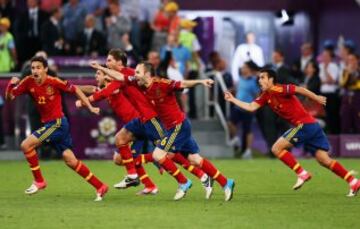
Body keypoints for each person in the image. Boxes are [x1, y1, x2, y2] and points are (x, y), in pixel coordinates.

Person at [98, 60, 235, 201]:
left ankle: (183, 183)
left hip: (178, 126)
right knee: (195, 159)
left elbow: (182, 84)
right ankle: (226, 182)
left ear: (147, 74)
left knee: (159, 154)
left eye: (138, 72)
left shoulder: (162, 84)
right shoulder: (140, 83)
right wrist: (100, 68)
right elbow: (120, 77)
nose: (135, 75)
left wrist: (201, 81)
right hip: (174, 127)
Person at [224, 68, 360, 196]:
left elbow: (299, 89)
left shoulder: (279, 88)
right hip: (311, 125)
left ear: (271, 80)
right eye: (259, 78)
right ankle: (353, 182)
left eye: (263, 77)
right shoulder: (265, 95)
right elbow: (251, 106)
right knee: (324, 160)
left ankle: (301, 173)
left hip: (304, 125)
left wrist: (316, 98)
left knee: (276, 148)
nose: (259, 80)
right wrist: (233, 99)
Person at [89, 49, 192, 201]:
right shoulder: (119, 77)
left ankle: (192, 177)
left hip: (151, 119)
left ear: (119, 62)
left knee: (167, 154)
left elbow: (106, 90)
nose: (107, 63)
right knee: (120, 141)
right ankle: (134, 176)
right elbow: (102, 87)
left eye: (109, 60)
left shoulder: (131, 74)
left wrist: (87, 100)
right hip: (140, 120)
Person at [5, 56, 108, 201]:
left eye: (38, 67)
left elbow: (76, 90)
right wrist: (10, 85)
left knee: (26, 145)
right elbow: (10, 98)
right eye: (33, 68)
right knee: (70, 159)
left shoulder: (53, 82)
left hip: (58, 123)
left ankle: (39, 181)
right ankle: (100, 186)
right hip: (50, 124)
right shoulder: (28, 82)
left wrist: (90, 107)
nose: (35, 70)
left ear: (46, 69)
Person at [77, 69, 159, 195]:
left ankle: (151, 162)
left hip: (137, 125)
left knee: (130, 158)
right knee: (121, 159)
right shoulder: (105, 89)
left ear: (106, 76)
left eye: (98, 74)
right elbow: (92, 89)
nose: (96, 76)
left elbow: (103, 92)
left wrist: (84, 101)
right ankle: (149, 184)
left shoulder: (113, 87)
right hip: (132, 126)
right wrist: (74, 87)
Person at [339, 53, 360, 133]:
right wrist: (348, 73)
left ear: (357, 60)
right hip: (347, 99)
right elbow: (342, 84)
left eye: (352, 60)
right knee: (345, 122)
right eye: (348, 60)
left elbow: (358, 85)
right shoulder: (345, 71)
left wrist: (352, 85)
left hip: (358, 98)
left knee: (358, 122)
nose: (350, 62)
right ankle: (343, 142)